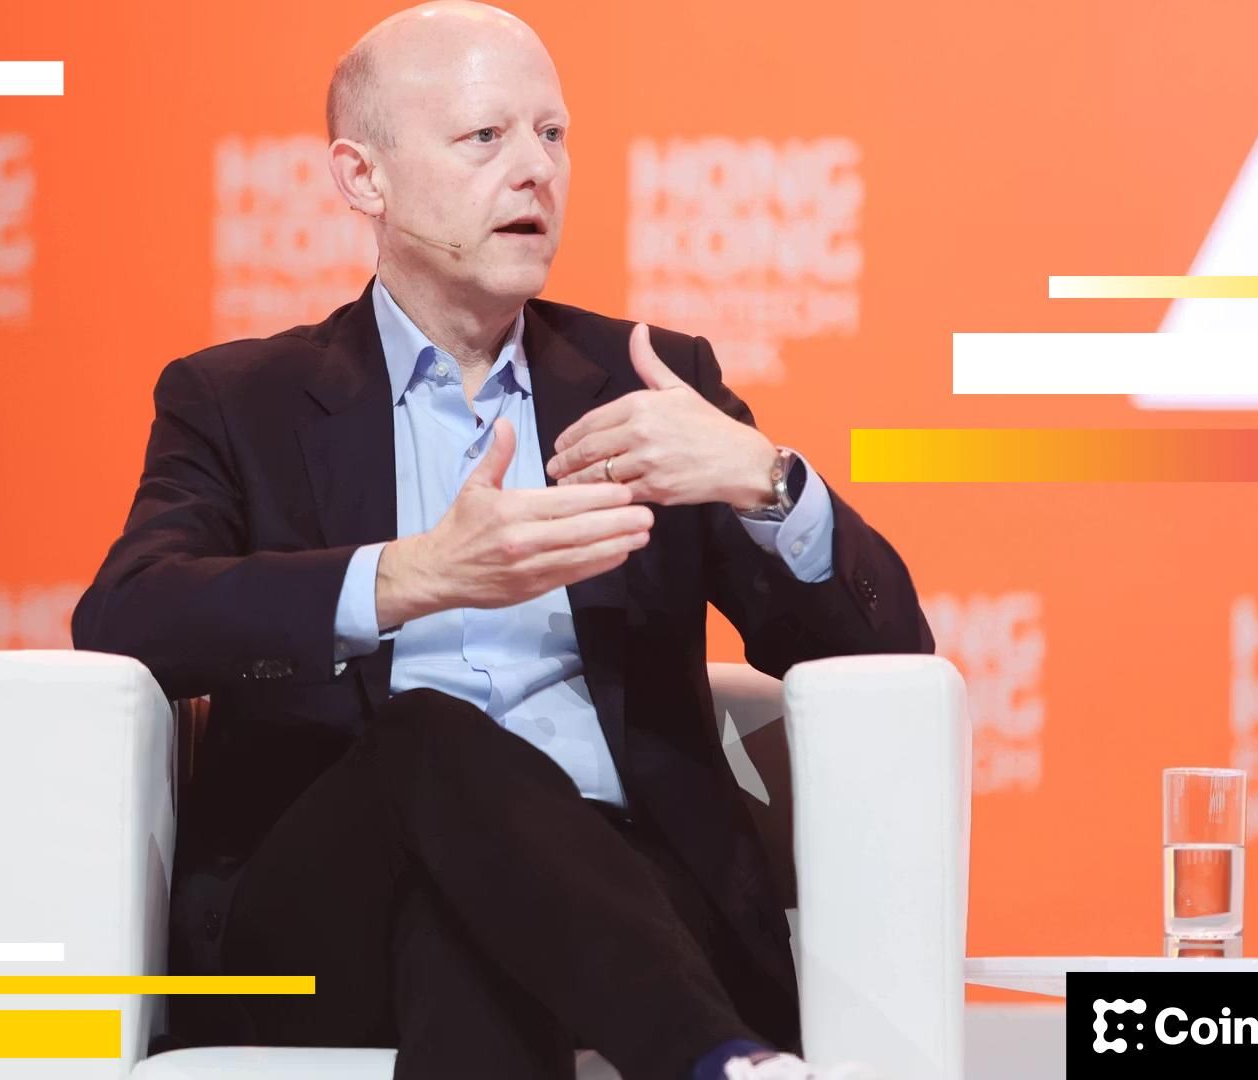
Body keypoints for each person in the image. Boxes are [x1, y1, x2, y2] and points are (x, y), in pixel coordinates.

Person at [72, 4, 933, 1077]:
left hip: (628, 884)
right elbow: (131, 614)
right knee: (431, 736)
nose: (536, 170)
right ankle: (716, 1059)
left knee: (467, 932)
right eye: (485, 136)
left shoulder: (649, 385)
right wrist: (407, 578)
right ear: (363, 177)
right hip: (330, 898)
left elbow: (887, 649)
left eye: (553, 135)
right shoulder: (240, 401)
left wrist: (766, 480)